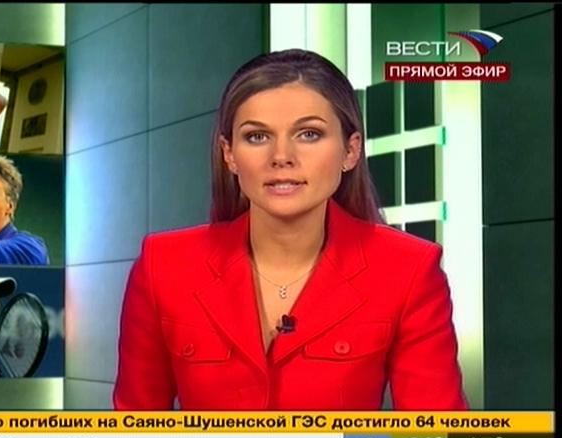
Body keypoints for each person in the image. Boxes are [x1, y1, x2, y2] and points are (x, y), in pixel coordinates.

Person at [113, 49, 468, 411]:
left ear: (350, 150)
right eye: (257, 137)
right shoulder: (164, 266)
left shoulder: (408, 269)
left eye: (309, 134)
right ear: (229, 154)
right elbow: (134, 429)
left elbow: (436, 433)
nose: (281, 156)